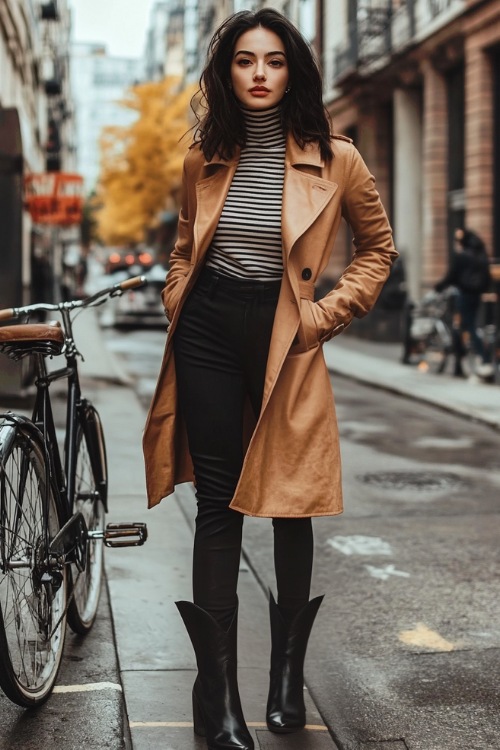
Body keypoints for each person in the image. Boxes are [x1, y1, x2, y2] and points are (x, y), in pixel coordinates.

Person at [143, 9, 397, 750]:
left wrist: (322, 319)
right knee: (220, 504)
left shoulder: (337, 158)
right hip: (210, 331)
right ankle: (214, 698)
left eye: (275, 60)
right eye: (245, 60)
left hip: (287, 335)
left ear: (294, 71)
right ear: (227, 73)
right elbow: (185, 247)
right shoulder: (205, 155)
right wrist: (176, 297)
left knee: (290, 501)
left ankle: (287, 673)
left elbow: (377, 251)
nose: (259, 73)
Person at [435, 228, 492, 377]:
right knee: (465, 326)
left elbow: (452, 276)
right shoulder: (481, 255)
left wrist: (439, 287)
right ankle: (460, 364)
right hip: (476, 295)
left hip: (464, 294)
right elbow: (487, 278)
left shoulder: (462, 256)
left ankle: (482, 358)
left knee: (466, 326)